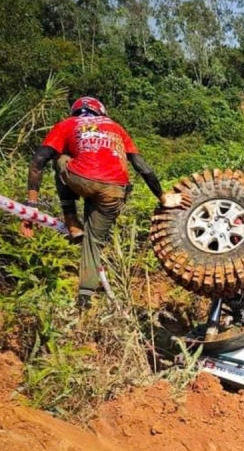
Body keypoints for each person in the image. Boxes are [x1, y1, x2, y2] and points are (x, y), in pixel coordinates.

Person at [22, 96, 180, 308]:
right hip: (115, 189)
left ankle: (72, 220)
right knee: (93, 241)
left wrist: (31, 207)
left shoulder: (67, 124)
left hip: (81, 180)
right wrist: (162, 196)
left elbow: (38, 160)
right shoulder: (115, 127)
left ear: (76, 112)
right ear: (101, 112)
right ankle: (85, 296)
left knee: (60, 160)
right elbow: (141, 166)